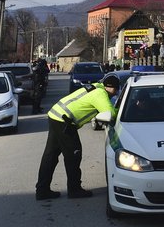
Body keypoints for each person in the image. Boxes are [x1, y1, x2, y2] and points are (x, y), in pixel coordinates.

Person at [35, 73, 121, 201]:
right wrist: (121, 108)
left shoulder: (95, 87)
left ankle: (42, 190)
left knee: (51, 155)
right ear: (112, 88)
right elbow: (110, 113)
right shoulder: (100, 94)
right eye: (116, 90)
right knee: (74, 155)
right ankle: (74, 190)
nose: (116, 93)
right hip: (64, 121)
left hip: (56, 115)